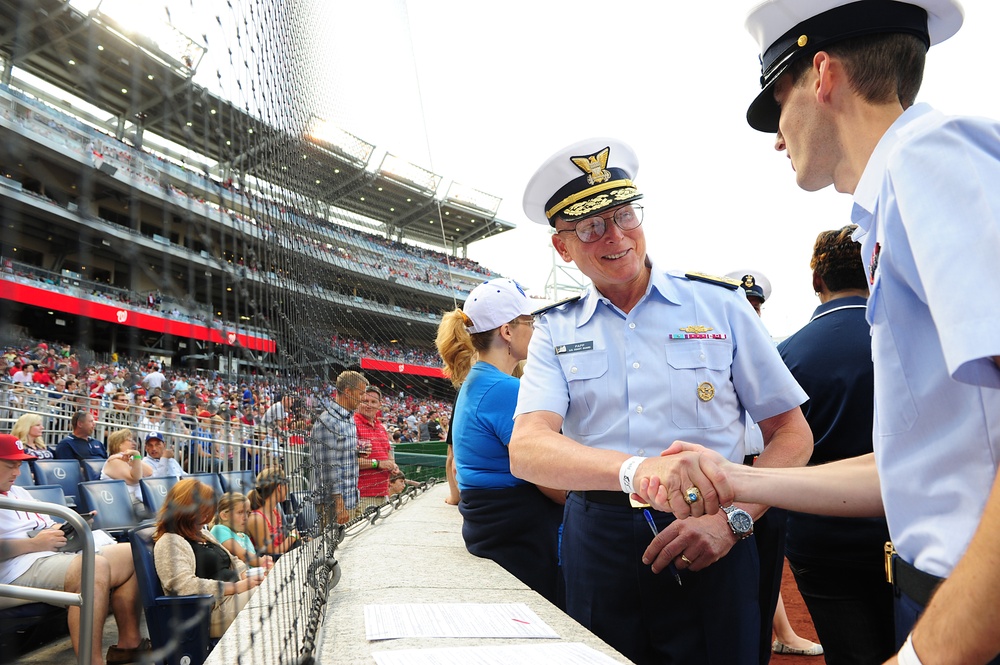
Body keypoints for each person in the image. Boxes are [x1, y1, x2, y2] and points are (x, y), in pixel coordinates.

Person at [686, 3, 1000, 663]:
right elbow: (915, 468)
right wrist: (740, 480)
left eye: (777, 102)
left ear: (822, 75)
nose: (777, 136)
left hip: (973, 613)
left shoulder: (928, 160)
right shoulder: (897, 194)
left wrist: (924, 656)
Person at [509, 138, 813, 665]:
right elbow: (527, 448)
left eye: (624, 214)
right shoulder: (554, 329)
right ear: (563, 247)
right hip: (598, 540)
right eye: (590, 227)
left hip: (712, 528)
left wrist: (732, 522)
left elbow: (792, 433)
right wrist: (635, 470)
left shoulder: (721, 306)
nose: (616, 236)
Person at [768, 225, 893, 664]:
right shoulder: (900, 340)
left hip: (819, 536)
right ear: (872, 273)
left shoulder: (786, 355)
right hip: (902, 530)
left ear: (817, 281)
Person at [436, 277, 566, 607]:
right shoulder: (505, 390)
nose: (535, 329)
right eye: (530, 322)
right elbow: (554, 483)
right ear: (507, 331)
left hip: (496, 535)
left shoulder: (477, 381)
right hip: (521, 544)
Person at [0, 434, 150, 665]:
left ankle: (128, 645)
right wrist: (35, 544)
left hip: (49, 555)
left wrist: (70, 528)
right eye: (11, 466)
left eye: (20, 466)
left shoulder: (18, 491)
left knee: (131, 553)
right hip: (14, 570)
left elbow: (46, 524)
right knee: (94, 567)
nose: (17, 473)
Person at [153, 478, 262, 638]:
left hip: (233, 597)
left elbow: (234, 559)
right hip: (210, 611)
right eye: (203, 512)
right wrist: (236, 587)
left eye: (208, 512)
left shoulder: (203, 533)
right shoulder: (169, 541)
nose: (207, 518)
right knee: (268, 598)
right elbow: (183, 586)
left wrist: (247, 575)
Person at [310, 371, 368, 525]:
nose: (363, 398)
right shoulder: (329, 421)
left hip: (351, 498)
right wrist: (339, 505)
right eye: (361, 393)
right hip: (334, 505)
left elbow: (341, 458)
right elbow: (328, 469)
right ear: (348, 392)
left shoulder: (349, 419)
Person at [354, 386, 400, 511]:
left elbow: (387, 454)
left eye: (373, 402)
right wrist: (379, 464)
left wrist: (393, 465)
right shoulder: (352, 424)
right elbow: (349, 462)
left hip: (382, 493)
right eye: (365, 401)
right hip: (361, 496)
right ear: (358, 402)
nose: (369, 405)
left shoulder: (380, 427)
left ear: (379, 405)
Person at [210, 491, 273, 570]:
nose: (245, 517)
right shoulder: (219, 530)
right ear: (224, 515)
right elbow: (243, 556)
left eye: (247, 513)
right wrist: (264, 562)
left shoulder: (244, 536)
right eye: (240, 512)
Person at [246, 467, 300, 558]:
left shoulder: (275, 512)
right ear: (279, 488)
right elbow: (271, 553)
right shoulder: (257, 518)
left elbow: (282, 545)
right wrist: (293, 536)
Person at [101, 429, 154, 517]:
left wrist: (133, 459)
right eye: (130, 440)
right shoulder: (113, 461)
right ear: (119, 443)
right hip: (123, 504)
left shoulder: (128, 458)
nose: (134, 443)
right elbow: (135, 479)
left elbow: (149, 472)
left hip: (137, 500)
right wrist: (136, 455)